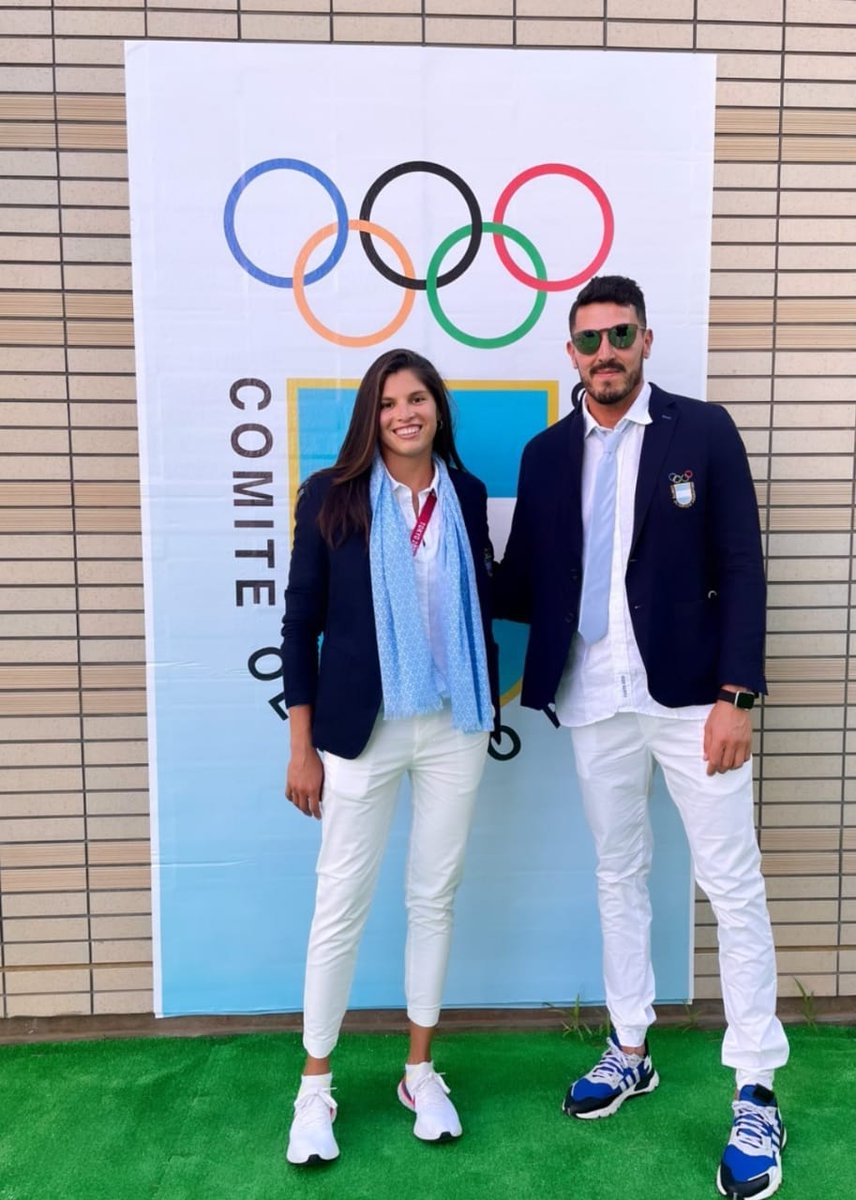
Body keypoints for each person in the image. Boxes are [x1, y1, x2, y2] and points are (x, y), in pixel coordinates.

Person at [496, 276, 789, 1200]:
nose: (605, 353)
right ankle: (632, 1045)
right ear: (571, 353)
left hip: (692, 698)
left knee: (729, 880)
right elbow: (520, 582)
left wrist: (738, 694)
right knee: (616, 870)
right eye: (588, 341)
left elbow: (742, 563)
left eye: (619, 335)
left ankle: (755, 1087)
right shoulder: (546, 455)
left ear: (646, 339)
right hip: (592, 696)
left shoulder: (703, 431)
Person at [281, 347, 498, 1166]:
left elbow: (488, 589)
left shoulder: (465, 495)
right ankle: (314, 1087)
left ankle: (419, 1070)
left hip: (455, 723)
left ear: (437, 408)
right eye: (389, 402)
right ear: (371, 416)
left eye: (418, 398)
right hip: (360, 730)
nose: (405, 412)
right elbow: (301, 625)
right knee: (340, 902)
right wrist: (301, 746)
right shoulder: (331, 498)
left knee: (433, 896)